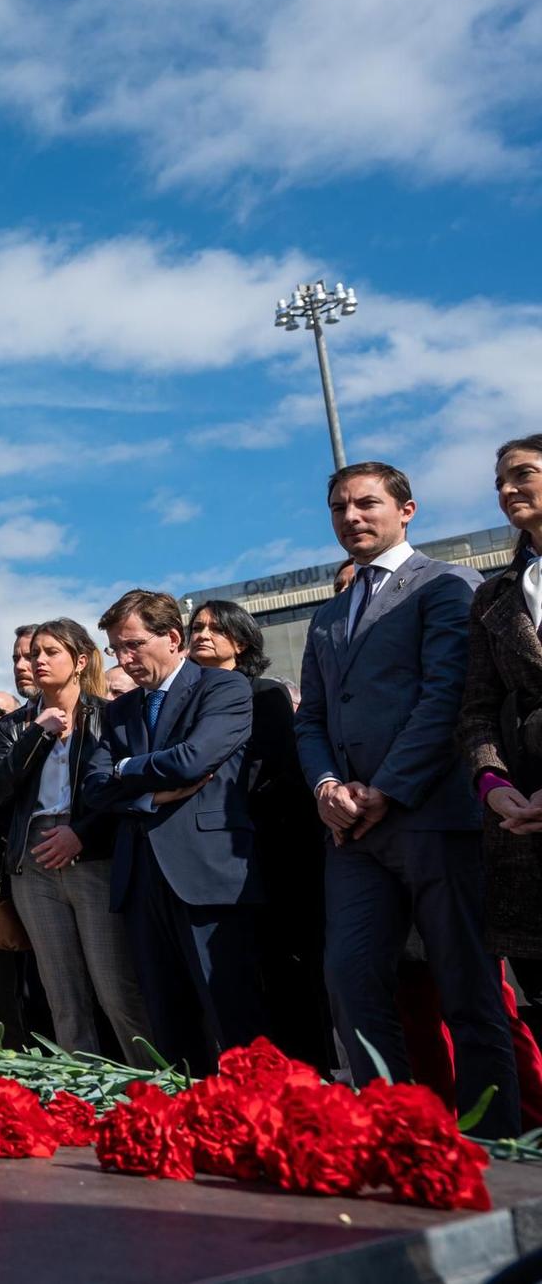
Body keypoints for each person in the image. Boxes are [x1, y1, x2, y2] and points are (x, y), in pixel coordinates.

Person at [298, 461, 517, 1134]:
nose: (351, 517)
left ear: (407, 509)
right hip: (353, 834)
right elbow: (310, 720)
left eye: (367, 503)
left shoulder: (448, 583)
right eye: (339, 507)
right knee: (352, 980)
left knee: (468, 993)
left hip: (433, 818)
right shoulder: (329, 612)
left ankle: (496, 1144)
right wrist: (328, 786)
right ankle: (397, 1136)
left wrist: (387, 788)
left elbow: (447, 696)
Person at [86, 589, 262, 1074]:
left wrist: (123, 769)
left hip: (207, 876)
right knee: (169, 1020)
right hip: (142, 879)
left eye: (133, 645)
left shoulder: (222, 689)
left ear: (172, 638)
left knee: (232, 1015)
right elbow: (94, 788)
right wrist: (148, 793)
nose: (124, 659)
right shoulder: (118, 710)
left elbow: (193, 759)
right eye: (116, 649)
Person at [0, 618, 152, 1062]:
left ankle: (151, 1087)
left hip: (93, 855)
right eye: (32, 653)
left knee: (117, 987)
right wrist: (38, 731)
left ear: (79, 661)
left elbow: (120, 790)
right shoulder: (16, 725)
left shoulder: (112, 714)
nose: (37, 660)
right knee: (62, 993)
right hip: (33, 862)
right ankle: (84, 1094)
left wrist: (82, 834)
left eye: (49, 652)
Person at [188, 599, 331, 1069]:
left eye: (215, 627)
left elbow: (279, 773)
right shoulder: (184, 701)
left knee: (288, 970)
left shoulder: (264, 694)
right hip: (209, 857)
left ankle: (308, 1073)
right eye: (196, 626)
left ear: (242, 640)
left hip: (271, 851)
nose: (202, 634)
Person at [463, 434, 542, 993]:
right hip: (521, 821)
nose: (508, 489)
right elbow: (476, 710)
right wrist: (491, 782)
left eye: (524, 474)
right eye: (500, 482)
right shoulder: (494, 595)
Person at [11, 625, 40, 703]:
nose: (19, 666)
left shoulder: (74, 713)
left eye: (30, 657)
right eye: (15, 659)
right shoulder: (15, 715)